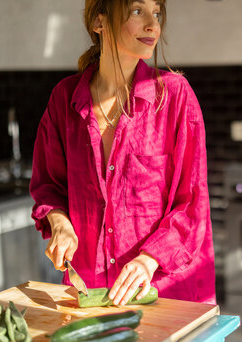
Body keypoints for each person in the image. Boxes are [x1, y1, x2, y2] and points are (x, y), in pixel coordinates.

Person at [30, 0, 215, 306]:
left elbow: (192, 202)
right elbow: (49, 186)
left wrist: (149, 259)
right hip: (89, 294)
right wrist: (60, 224)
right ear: (99, 22)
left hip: (164, 293)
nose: (152, 24)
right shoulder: (64, 99)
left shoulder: (175, 96)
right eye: (137, 11)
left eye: (156, 12)